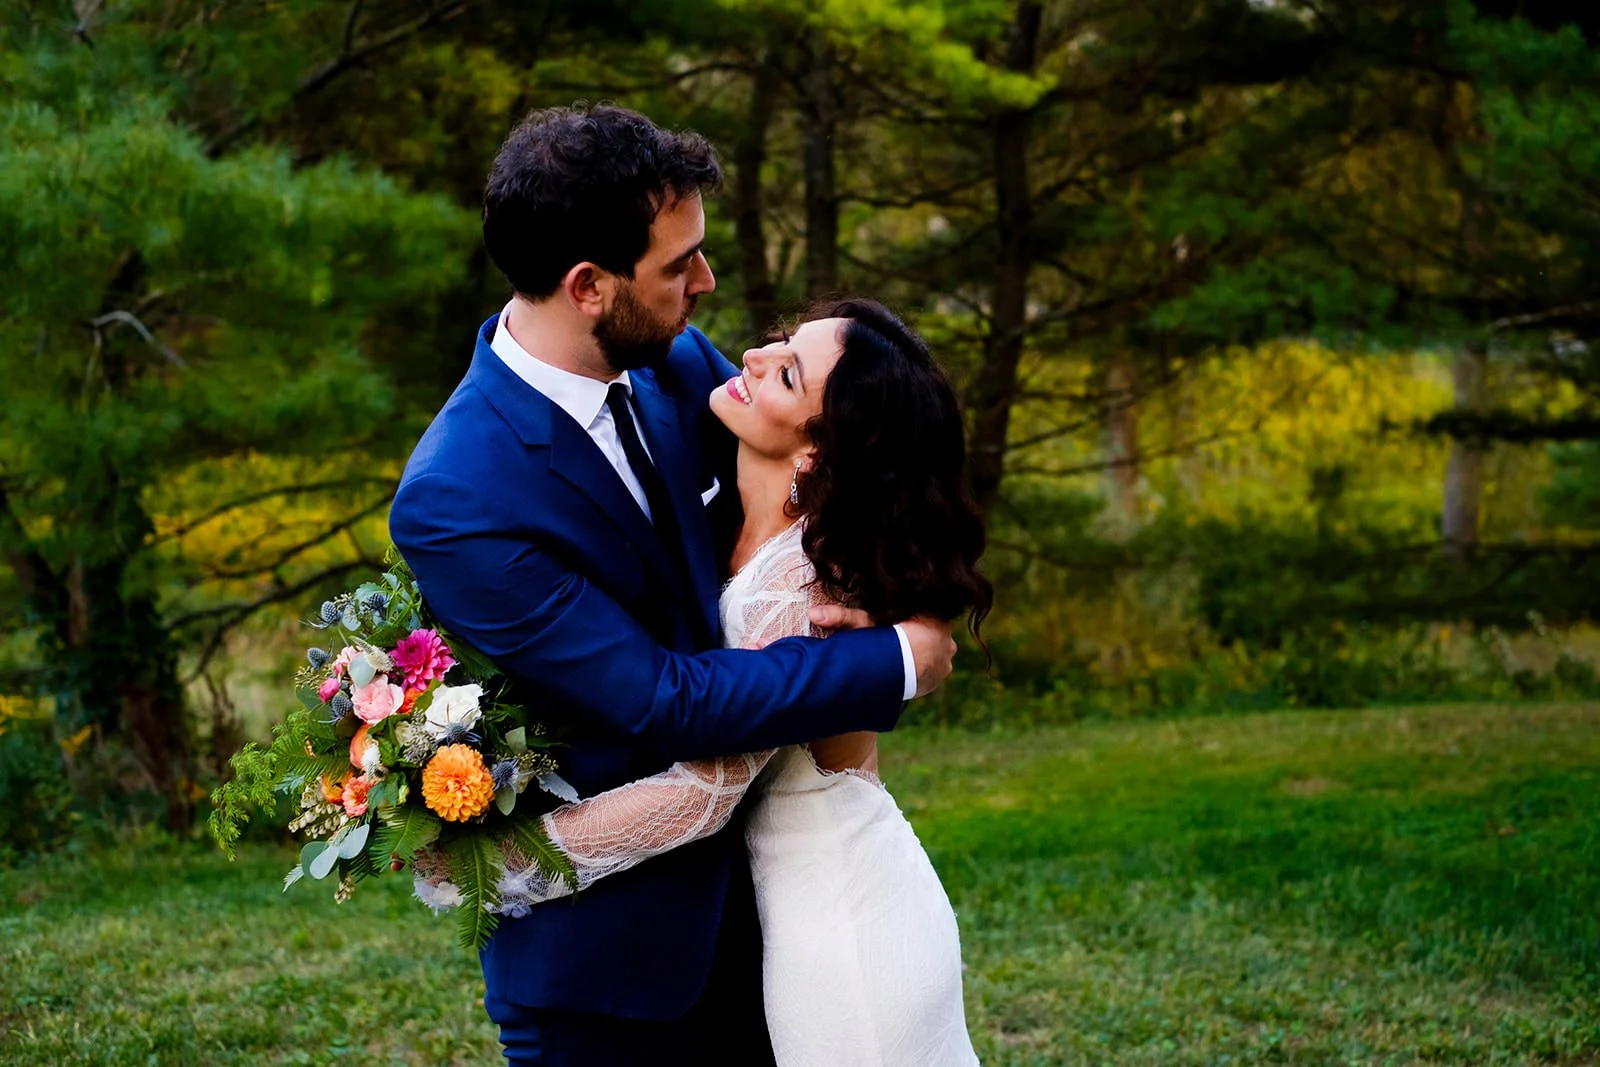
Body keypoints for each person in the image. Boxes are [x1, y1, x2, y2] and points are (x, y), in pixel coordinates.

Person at [389, 105, 958, 1065]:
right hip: (613, 981)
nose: (708, 284)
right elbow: (660, 698)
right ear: (589, 286)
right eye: (678, 265)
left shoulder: (670, 358)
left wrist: (889, 596)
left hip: (776, 923)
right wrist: (895, 658)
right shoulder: (460, 495)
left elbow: (831, 469)